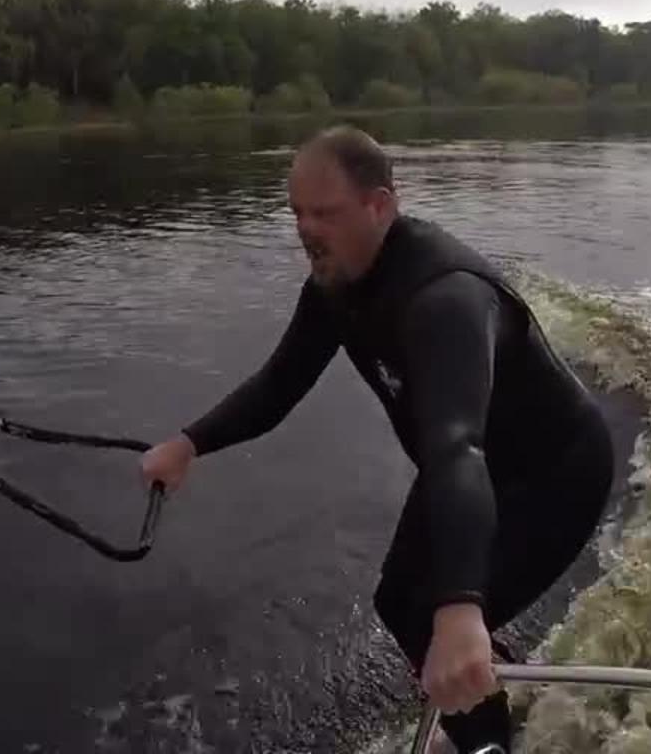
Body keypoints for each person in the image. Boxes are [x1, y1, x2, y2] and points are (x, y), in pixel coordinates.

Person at [140, 124, 616, 753]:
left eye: (325, 213)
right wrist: (187, 445)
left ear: (380, 206)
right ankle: (486, 700)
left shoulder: (444, 299)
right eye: (297, 213)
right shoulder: (335, 282)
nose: (307, 229)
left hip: (555, 473)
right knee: (399, 601)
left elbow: (455, 447)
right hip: (468, 469)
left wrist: (461, 608)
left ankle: (486, 736)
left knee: (436, 613)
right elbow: (279, 385)